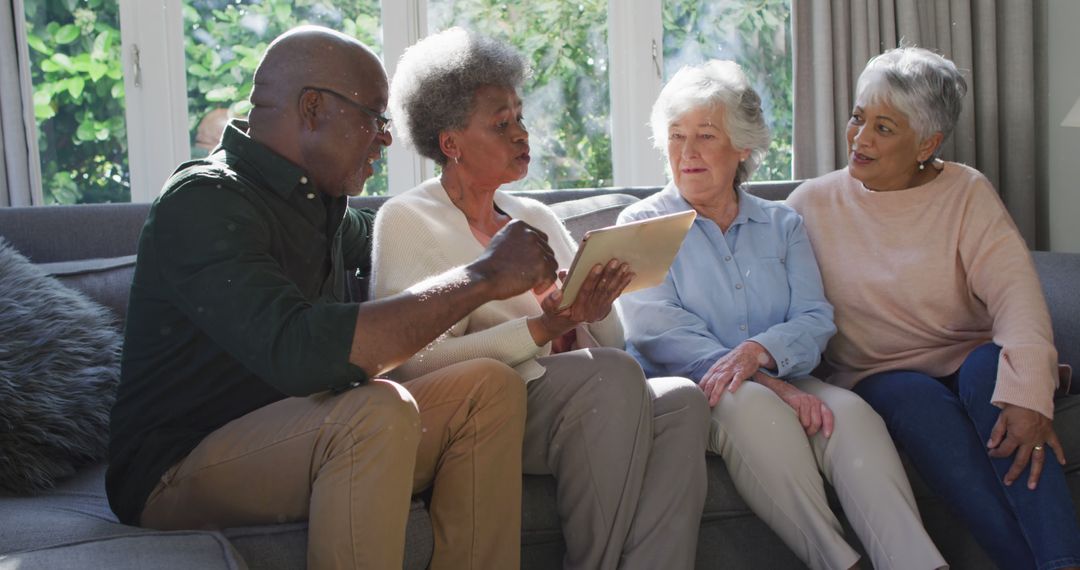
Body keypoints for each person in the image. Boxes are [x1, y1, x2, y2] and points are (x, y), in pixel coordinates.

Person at [107, 25, 563, 570]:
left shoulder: (322, 207)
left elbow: (414, 251)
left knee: (488, 386)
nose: (388, 137)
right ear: (313, 108)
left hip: (296, 433)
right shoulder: (204, 202)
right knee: (372, 409)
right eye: (374, 116)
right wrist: (486, 274)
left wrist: (497, 243)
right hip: (176, 468)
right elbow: (302, 353)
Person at [371, 27, 709, 570]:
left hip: (580, 395)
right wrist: (541, 330)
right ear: (450, 142)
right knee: (612, 376)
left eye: (520, 117)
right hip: (489, 411)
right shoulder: (407, 219)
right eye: (501, 124)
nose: (521, 134)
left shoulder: (536, 218)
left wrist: (591, 307)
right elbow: (415, 364)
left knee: (681, 399)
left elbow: (612, 342)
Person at [616, 60, 946, 570]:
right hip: (693, 391)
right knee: (750, 404)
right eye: (676, 136)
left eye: (706, 135)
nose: (688, 152)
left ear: (743, 147)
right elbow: (659, 333)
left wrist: (761, 355)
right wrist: (773, 384)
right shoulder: (641, 224)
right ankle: (839, 561)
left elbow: (815, 316)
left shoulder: (782, 223)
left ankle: (917, 563)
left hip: (779, 373)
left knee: (850, 414)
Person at [788, 46, 1080, 570]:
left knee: (998, 376)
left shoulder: (965, 191)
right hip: (880, 373)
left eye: (884, 127)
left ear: (928, 142)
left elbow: (1017, 295)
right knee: (914, 399)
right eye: (858, 117)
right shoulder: (809, 205)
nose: (859, 138)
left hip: (968, 355)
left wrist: (1031, 396)